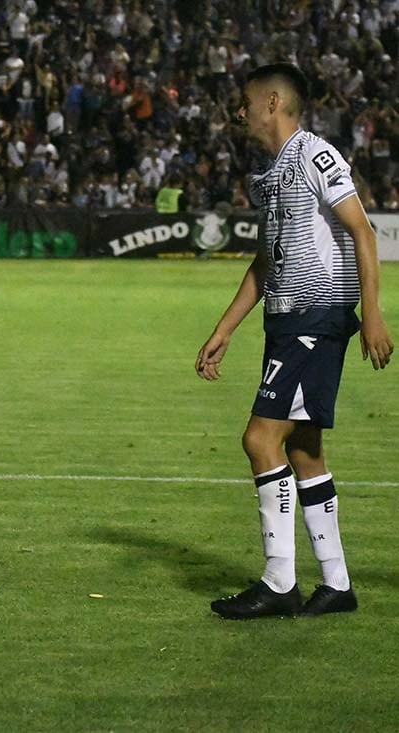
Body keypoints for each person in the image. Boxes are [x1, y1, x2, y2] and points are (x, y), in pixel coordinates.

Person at [196, 64, 394, 620]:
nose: (239, 111)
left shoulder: (316, 155)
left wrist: (372, 314)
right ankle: (336, 583)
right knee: (304, 450)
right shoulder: (273, 172)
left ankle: (279, 581)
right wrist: (225, 327)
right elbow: (266, 262)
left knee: (261, 440)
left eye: (244, 101)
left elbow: (362, 229)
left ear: (273, 101)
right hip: (287, 321)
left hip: (316, 319)